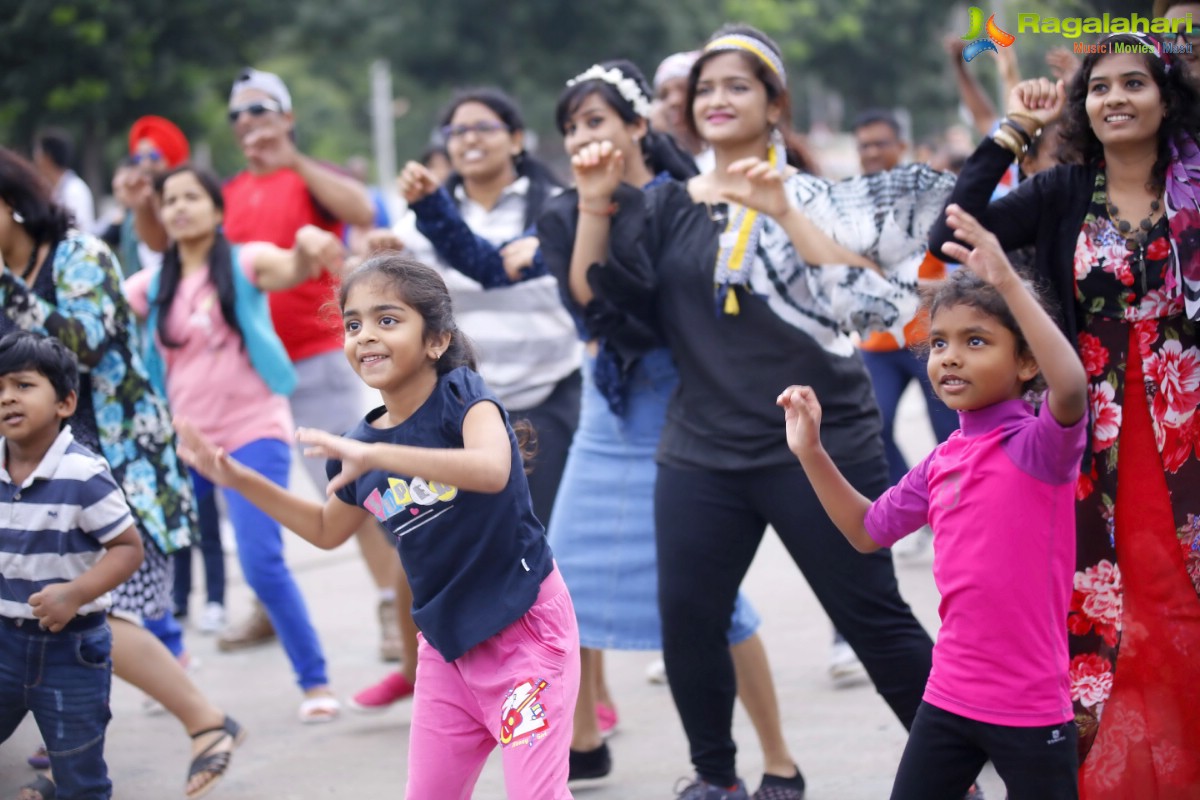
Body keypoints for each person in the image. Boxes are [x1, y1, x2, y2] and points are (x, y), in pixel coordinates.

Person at [590, 25, 958, 798]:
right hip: (701, 447)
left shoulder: (815, 193)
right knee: (688, 620)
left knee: (875, 622)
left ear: (774, 102)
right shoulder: (665, 205)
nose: (719, 100)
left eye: (738, 86)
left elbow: (862, 303)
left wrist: (781, 208)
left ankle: (959, 778)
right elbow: (601, 305)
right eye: (706, 89)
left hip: (816, 443)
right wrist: (596, 206)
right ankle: (716, 778)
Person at [175, 253, 581, 800]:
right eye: (353, 324)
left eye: (388, 320)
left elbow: (489, 470)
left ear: (436, 340)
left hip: (523, 638)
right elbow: (324, 528)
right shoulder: (359, 447)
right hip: (447, 651)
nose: (366, 335)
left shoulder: (464, 400)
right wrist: (236, 476)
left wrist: (382, 457)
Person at [927, 35, 1200, 796]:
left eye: (1133, 83)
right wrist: (1010, 131)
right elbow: (949, 232)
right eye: (1099, 87)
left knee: (1183, 603)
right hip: (1089, 431)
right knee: (1103, 607)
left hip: (1190, 422)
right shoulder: (1062, 192)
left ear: (1167, 97)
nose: (1115, 98)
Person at [533, 59, 802, 794]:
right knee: (563, 583)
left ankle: (777, 757)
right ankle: (581, 741)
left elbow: (674, 310)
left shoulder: (684, 201)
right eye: (571, 127)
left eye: (596, 121)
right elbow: (592, 307)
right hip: (605, 408)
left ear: (636, 125)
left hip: (681, 404)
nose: (583, 137)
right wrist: (592, 205)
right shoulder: (563, 212)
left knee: (712, 599)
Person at [784, 206, 1089, 799]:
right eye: (939, 342)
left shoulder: (1038, 447)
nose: (949, 356)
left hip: (1030, 711)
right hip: (947, 699)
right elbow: (867, 531)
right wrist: (811, 452)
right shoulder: (942, 461)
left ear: (1026, 362)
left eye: (976, 341)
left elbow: (1071, 386)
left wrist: (1005, 281)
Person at [0, 147, 244, 800]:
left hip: (115, 460)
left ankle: (208, 722)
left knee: (95, 612)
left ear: (13, 204)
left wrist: (5, 292)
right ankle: (69, 756)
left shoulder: (82, 255)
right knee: (45, 612)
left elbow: (82, 344)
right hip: (30, 473)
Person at [356, 87, 582, 712]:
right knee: (424, 541)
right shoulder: (421, 216)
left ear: (516, 138)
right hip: (456, 406)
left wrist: (428, 209)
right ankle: (421, 668)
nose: (469, 139)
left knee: (544, 550)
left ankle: (579, 698)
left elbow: (489, 267)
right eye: (456, 131)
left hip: (546, 397)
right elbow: (391, 284)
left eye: (484, 127)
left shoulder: (554, 207)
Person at [124, 164, 343, 724]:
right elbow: (98, 306)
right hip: (184, 443)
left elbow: (291, 265)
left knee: (261, 562)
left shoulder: (244, 263)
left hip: (252, 433)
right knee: (146, 557)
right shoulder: (153, 285)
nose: (179, 208)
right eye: (169, 199)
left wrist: (307, 243)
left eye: (192, 196)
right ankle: (170, 661)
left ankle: (314, 680)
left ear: (217, 210)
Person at [0, 332, 144, 800]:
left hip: (71, 649)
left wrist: (76, 592)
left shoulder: (83, 473)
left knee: (79, 771)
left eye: (22, 385)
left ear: (65, 402)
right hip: (4, 640)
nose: (7, 398)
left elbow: (127, 547)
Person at [33, 131, 95, 234]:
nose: (35, 159)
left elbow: (80, 231)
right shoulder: (55, 190)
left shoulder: (75, 191)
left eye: (38, 153)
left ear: (48, 157)